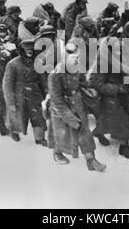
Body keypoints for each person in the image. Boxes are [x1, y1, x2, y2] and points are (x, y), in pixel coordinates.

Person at [48, 43, 106, 171]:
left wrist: (89, 88)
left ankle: (91, 161)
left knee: (84, 132)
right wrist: (70, 119)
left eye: (78, 57)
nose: (78, 60)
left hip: (77, 103)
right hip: (62, 109)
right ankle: (57, 153)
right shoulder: (55, 75)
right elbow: (56, 100)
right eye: (74, 58)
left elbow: (82, 81)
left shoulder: (76, 68)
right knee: (63, 135)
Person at [88, 36, 129, 160]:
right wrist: (117, 89)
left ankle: (99, 131)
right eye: (115, 49)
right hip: (106, 95)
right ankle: (123, 146)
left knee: (111, 118)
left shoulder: (118, 57)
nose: (119, 51)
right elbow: (96, 84)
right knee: (121, 118)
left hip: (120, 91)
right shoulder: (101, 63)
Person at [3, 39, 48, 145]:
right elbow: (7, 85)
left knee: (38, 117)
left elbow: (43, 80)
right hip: (19, 95)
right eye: (27, 49)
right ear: (21, 50)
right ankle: (14, 132)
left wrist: (46, 95)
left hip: (35, 94)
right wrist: (11, 103)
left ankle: (39, 138)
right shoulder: (12, 64)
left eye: (31, 49)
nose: (30, 51)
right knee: (17, 116)